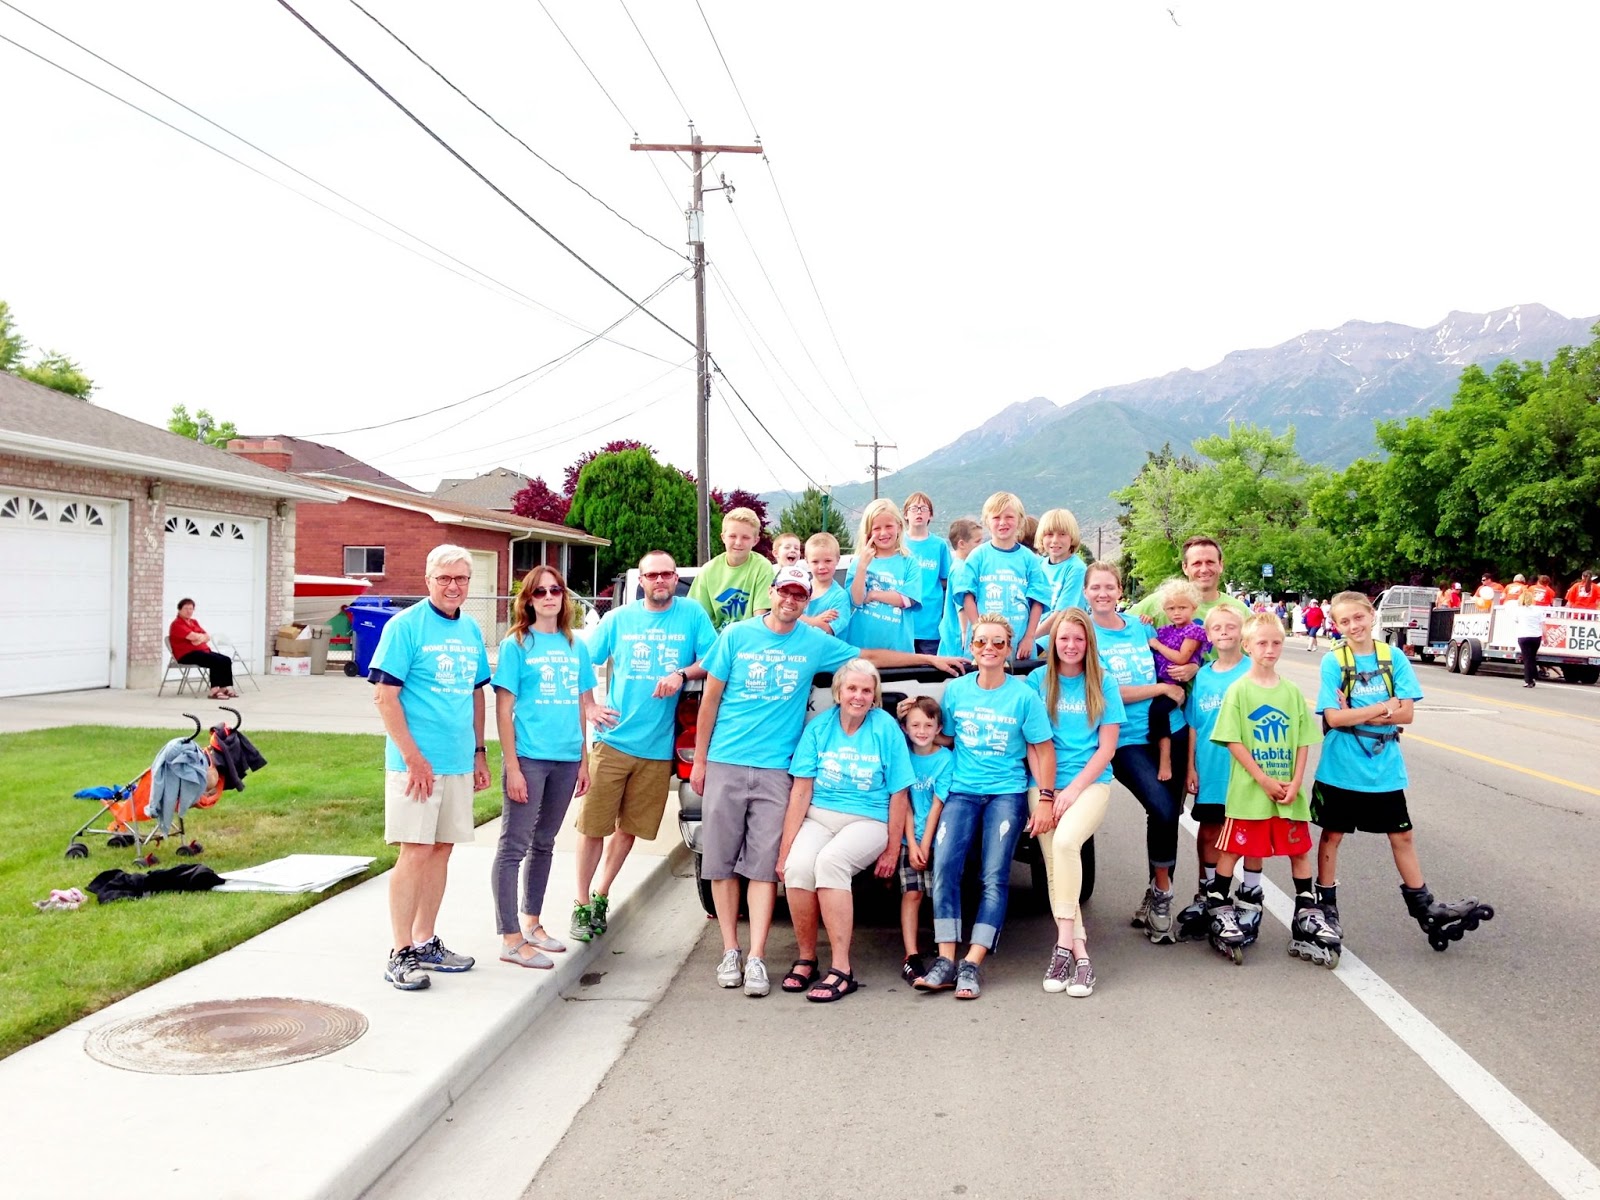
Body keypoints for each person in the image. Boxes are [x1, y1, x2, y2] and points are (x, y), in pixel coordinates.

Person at [689, 564, 959, 998]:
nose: (791, 599)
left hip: (782, 770)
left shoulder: (817, 647)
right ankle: (753, 952)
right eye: (785, 591)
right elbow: (710, 699)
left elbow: (866, 656)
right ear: (771, 592)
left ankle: (795, 961)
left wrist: (927, 659)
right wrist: (700, 760)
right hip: (727, 759)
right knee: (751, 864)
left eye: (800, 594)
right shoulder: (738, 637)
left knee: (782, 866)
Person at [1312, 591, 1493, 952]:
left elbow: (1407, 714)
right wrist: (1385, 707)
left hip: (1385, 767)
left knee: (1402, 835)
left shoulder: (1393, 657)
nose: (1353, 625)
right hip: (1341, 766)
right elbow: (1334, 717)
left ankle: (1424, 906)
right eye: (1344, 621)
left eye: (1358, 617)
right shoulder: (1333, 661)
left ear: (1371, 615)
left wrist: (1358, 713)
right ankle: (1326, 906)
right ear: (1336, 625)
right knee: (1332, 835)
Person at [572, 550, 715, 943]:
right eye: (652, 575)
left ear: (675, 578)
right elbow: (582, 661)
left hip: (657, 749)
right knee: (593, 827)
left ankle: (601, 895)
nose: (660, 581)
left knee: (629, 829)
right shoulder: (619, 619)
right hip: (613, 741)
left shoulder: (691, 614)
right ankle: (581, 903)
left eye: (667, 574)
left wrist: (681, 673)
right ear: (642, 581)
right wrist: (590, 706)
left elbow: (713, 658)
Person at [370, 544, 492, 991]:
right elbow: (384, 697)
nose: (453, 586)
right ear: (428, 580)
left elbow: (477, 692)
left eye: (461, 578)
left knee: (442, 849)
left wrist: (479, 752)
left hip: (457, 760)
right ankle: (400, 951)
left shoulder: (471, 629)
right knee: (415, 851)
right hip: (415, 766)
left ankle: (425, 941)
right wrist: (413, 758)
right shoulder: (405, 627)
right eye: (444, 578)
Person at [913, 614, 1054, 999]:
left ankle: (972, 962)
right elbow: (947, 737)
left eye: (997, 642)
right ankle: (945, 959)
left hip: (1006, 793)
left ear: (1008, 649)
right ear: (971, 648)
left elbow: (1043, 749)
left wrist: (1045, 799)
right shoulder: (956, 691)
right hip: (961, 790)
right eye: (980, 642)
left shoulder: (1024, 696)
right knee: (945, 867)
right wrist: (913, 722)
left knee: (994, 875)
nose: (988, 648)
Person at [776, 659, 913, 1002]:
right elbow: (801, 790)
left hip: (869, 818)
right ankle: (807, 958)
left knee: (831, 863)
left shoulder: (885, 729)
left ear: (874, 696)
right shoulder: (819, 728)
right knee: (798, 867)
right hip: (820, 815)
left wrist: (892, 849)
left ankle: (842, 969)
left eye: (867, 690)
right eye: (852, 688)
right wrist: (784, 850)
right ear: (838, 692)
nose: (858, 696)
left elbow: (900, 792)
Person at [1199, 612, 1326, 965]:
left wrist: (1296, 781)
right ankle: (1219, 904)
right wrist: (1263, 779)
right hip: (1250, 793)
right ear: (1247, 645)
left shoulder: (1291, 691)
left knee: (1298, 851)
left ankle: (1306, 911)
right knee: (1233, 850)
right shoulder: (1239, 690)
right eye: (1262, 643)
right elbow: (1233, 740)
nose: (1270, 649)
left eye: (1276, 643)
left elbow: (1303, 741)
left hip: (1288, 793)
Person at [490, 566, 595, 968]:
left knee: (545, 842)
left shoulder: (575, 646)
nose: (549, 597)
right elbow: (504, 710)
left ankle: (532, 923)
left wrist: (583, 760)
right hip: (530, 758)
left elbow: (581, 706)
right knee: (513, 846)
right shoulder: (517, 644)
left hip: (566, 760)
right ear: (529, 600)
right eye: (540, 592)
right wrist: (513, 766)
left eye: (555, 590)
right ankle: (510, 937)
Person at [1084, 561, 1189, 943]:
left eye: (1109, 587)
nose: (1103, 593)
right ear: (1086, 592)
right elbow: (1106, 691)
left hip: (1170, 729)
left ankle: (1156, 895)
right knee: (1161, 806)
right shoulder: (1086, 633)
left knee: (1168, 813)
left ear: (1119, 590)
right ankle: (1163, 893)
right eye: (1096, 587)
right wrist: (1160, 689)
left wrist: (1188, 670)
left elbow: (1170, 657)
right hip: (1126, 738)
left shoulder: (1140, 627)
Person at [1025, 607, 1122, 997]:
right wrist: (1047, 794)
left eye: (1078, 639)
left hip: (1090, 784)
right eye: (1063, 638)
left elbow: (1107, 749)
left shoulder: (1104, 682)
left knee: (1066, 844)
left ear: (1088, 643)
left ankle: (1062, 947)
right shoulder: (1037, 681)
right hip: (1045, 785)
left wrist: (1073, 790)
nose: (1070, 645)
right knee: (1054, 864)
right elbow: (1032, 745)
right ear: (1053, 642)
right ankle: (1079, 956)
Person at [1175, 604, 1264, 942]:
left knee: (1249, 830)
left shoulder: (1253, 670)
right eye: (1217, 628)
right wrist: (1191, 766)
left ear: (1242, 633)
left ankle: (1250, 896)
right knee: (1211, 829)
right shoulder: (1203, 676)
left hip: (1247, 768)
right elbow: (1194, 724)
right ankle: (1210, 894)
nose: (1224, 632)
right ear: (1208, 637)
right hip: (1211, 766)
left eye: (1231, 626)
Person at [950, 492, 1051, 662]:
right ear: (987, 521)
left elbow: (1038, 599)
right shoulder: (977, 556)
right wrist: (979, 633)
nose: (1003, 522)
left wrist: (1029, 638)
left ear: (1020, 520)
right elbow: (966, 596)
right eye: (996, 517)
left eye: (1009, 517)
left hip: (1019, 647)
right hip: (984, 648)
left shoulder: (1029, 559)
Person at [895, 697, 950, 983]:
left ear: (939, 728)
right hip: (909, 839)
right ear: (905, 728)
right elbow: (903, 802)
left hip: (936, 838)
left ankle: (943, 949)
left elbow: (938, 805)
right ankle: (911, 954)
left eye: (929, 725)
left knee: (938, 893)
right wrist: (912, 844)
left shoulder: (945, 759)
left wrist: (925, 844)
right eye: (915, 725)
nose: (922, 731)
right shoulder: (902, 756)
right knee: (912, 893)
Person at [1145, 578, 1206, 782]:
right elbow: (1147, 634)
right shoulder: (1165, 630)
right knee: (1149, 711)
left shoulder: (1193, 631)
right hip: (1157, 681)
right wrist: (1146, 621)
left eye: (1182, 607)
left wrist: (1157, 645)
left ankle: (1165, 759)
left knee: (1159, 711)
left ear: (1193, 607)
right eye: (1171, 608)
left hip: (1174, 683)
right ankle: (1153, 751)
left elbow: (1181, 658)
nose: (1176, 612)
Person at [847, 498, 922, 652]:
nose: (883, 533)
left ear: (899, 527)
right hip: (861, 648)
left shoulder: (910, 563)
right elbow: (856, 600)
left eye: (889, 526)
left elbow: (908, 600)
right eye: (876, 528)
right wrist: (862, 567)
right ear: (868, 532)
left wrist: (874, 594)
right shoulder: (858, 563)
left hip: (899, 650)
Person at [687, 507, 773, 632]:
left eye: (745, 537)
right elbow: (695, 616)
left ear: (755, 541)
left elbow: (760, 618)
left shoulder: (762, 568)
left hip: (749, 638)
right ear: (723, 537)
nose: (738, 542)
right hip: (715, 639)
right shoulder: (708, 570)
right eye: (732, 536)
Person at [903, 492, 952, 655]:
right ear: (905, 514)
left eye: (923, 508)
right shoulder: (898, 543)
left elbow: (946, 580)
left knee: (930, 669)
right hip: (902, 623)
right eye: (914, 508)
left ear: (930, 515)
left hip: (931, 624)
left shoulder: (939, 545)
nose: (919, 512)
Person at [167, 598, 238, 700]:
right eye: (186, 608)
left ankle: (223, 688)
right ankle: (214, 691)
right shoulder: (177, 624)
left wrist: (198, 638)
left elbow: (207, 637)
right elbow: (192, 636)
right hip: (187, 654)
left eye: (191, 609)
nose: (189, 611)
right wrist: (200, 637)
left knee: (226, 660)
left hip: (202, 651)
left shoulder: (193, 622)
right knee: (215, 660)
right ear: (179, 609)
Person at [936, 517, 984, 656]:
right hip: (958, 637)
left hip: (950, 633)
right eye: (977, 542)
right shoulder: (962, 569)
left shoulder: (957, 566)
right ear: (962, 544)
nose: (981, 546)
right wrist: (965, 632)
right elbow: (962, 605)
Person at [800, 532, 851, 636]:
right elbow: (784, 617)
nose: (822, 567)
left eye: (827, 561)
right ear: (807, 562)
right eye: (815, 562)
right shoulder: (799, 589)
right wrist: (815, 621)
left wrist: (798, 618)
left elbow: (829, 629)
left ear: (837, 560)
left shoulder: (840, 596)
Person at [1511, 588, 1545, 688]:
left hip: (1523, 636)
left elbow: (1516, 621)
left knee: (1527, 658)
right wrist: (1546, 636)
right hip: (1536, 636)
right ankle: (1533, 675)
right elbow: (1543, 624)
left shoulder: (1518, 610)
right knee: (1532, 657)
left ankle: (1528, 680)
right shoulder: (1538, 610)